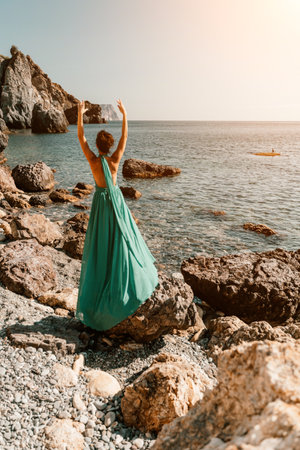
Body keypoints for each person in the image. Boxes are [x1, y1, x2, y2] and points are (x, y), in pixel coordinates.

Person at [75, 99, 158, 331]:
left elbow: (80, 137)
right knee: (122, 240)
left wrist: (80, 114)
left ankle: (101, 288)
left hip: (101, 203)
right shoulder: (114, 161)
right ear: (109, 146)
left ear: (97, 145)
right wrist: (125, 115)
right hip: (116, 204)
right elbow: (125, 138)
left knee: (102, 245)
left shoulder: (93, 160)